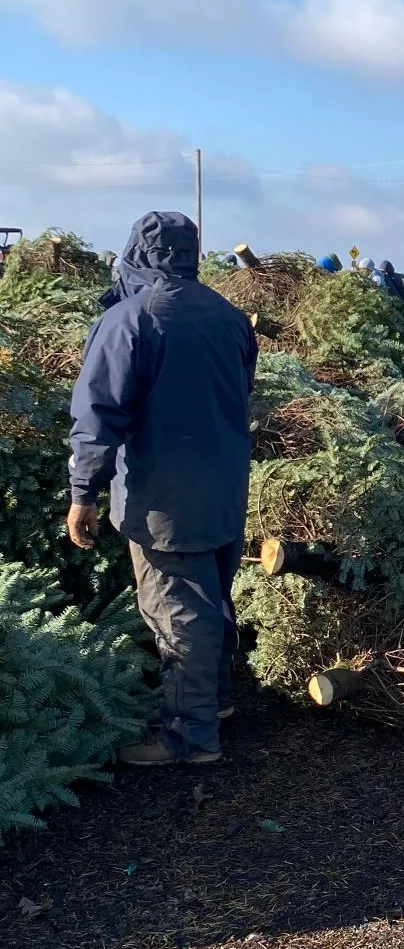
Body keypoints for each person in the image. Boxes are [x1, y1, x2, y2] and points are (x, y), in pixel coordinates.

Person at [66, 211, 258, 767]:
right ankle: (215, 705)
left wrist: (84, 493)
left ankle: (189, 737)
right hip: (223, 487)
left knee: (177, 611)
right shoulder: (227, 316)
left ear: (137, 252)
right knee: (212, 601)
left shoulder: (130, 320)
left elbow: (99, 415)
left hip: (162, 497)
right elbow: (239, 393)